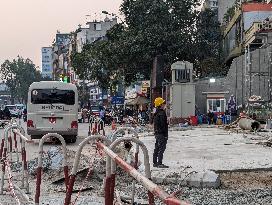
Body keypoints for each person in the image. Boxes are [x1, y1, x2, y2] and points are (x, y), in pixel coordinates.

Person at [153, 97, 169, 168]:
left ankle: (155, 163)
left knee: (156, 148)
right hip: (161, 134)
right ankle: (159, 163)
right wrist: (165, 134)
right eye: (163, 103)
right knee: (161, 148)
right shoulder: (162, 113)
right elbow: (163, 125)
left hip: (157, 133)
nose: (164, 104)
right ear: (160, 104)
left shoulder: (156, 113)